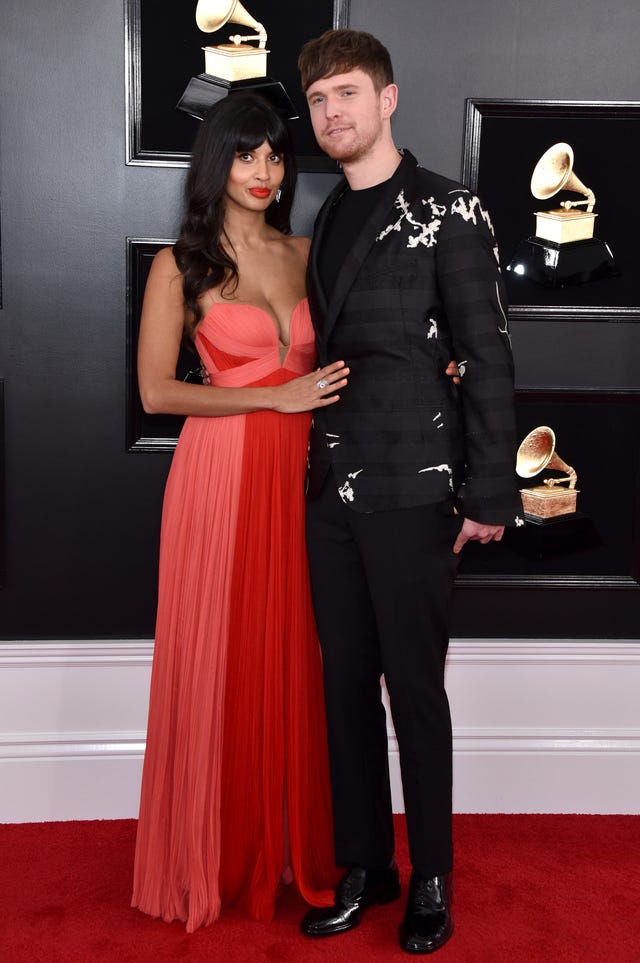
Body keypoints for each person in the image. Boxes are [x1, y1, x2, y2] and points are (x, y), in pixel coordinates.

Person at [296, 30, 524, 955]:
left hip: (418, 488)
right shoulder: (325, 217)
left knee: (414, 691)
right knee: (343, 684)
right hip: (331, 493)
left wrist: (490, 492)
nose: (331, 113)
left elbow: (491, 355)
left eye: (347, 93)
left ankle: (430, 873)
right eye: (317, 101)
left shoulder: (451, 208)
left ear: (388, 99)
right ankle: (365, 865)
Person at [130, 92, 349, 931]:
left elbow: (342, 360)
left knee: (294, 650)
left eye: (276, 157)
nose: (263, 173)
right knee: (222, 655)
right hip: (219, 480)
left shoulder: (305, 251)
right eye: (246, 155)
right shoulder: (177, 265)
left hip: (300, 477)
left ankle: (288, 845)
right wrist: (273, 398)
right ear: (216, 162)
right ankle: (214, 851)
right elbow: (156, 392)